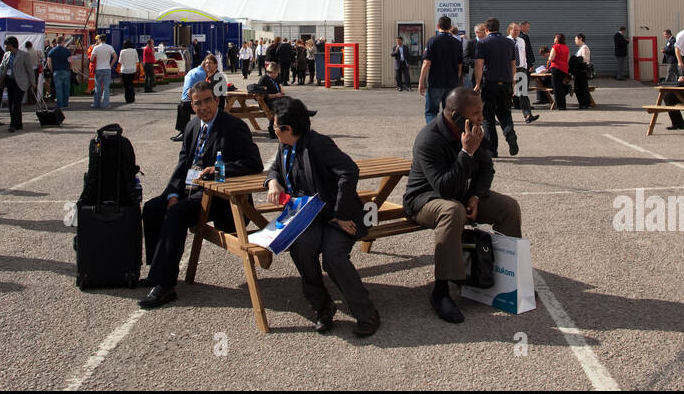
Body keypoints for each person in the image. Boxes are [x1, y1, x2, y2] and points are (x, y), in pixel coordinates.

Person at [139, 80, 262, 309]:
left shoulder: (234, 127)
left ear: (216, 100)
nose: (204, 107)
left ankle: (165, 285)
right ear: (192, 106)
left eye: (208, 101)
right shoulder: (192, 126)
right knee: (153, 208)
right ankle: (157, 269)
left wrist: (220, 169)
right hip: (189, 188)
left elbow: (253, 163)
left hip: (218, 196)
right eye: (198, 103)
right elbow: (183, 163)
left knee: (176, 214)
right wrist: (172, 193)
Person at [404, 87, 522, 324]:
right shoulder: (429, 139)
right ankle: (441, 291)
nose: (481, 117)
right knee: (452, 210)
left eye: (482, 111)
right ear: (455, 114)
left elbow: (487, 169)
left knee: (508, 207)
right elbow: (443, 189)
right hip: (424, 200)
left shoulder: (474, 131)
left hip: (462, 195)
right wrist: (467, 152)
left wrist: (476, 196)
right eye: (476, 113)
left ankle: (507, 282)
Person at [265, 97, 379, 336]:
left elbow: (349, 171)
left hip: (339, 215)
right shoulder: (285, 145)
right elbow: (275, 168)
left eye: (275, 127)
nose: (272, 130)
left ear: (288, 129)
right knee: (301, 247)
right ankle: (322, 307)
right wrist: (273, 182)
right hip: (309, 216)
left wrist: (339, 214)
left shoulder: (318, 144)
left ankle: (366, 313)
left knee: (333, 256)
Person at [473, 16, 519, 157]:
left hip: (489, 83)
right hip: (505, 83)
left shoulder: (482, 43)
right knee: (505, 113)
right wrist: (513, 81)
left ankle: (492, 149)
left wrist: (477, 83)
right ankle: (510, 134)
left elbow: (479, 64)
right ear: (499, 28)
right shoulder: (509, 43)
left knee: (488, 117)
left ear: (486, 29)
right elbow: (513, 64)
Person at [419, 16, 463, 123]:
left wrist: (421, 81)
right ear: (450, 27)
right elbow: (460, 65)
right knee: (448, 112)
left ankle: (433, 134)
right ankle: (447, 135)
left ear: (438, 26)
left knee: (431, 112)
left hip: (435, 82)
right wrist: (457, 80)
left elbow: (426, 62)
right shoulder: (457, 43)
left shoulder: (432, 41)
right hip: (451, 82)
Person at [172, 54, 219, 141]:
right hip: (201, 101)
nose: (208, 65)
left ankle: (184, 132)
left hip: (210, 104)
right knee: (182, 105)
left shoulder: (215, 76)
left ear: (216, 65)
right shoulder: (205, 75)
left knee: (183, 106)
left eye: (210, 63)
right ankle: (184, 131)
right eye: (206, 63)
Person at [0, 36, 32, 133]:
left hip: (20, 82)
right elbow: (1, 67)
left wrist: (33, 82)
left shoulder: (24, 55)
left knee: (16, 103)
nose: (5, 46)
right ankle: (18, 123)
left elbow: (29, 70)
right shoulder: (6, 54)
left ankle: (13, 124)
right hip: (10, 81)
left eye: (6, 44)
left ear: (11, 45)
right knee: (11, 103)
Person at [506, 22, 539, 124]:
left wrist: (525, 66)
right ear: (509, 30)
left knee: (523, 94)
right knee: (508, 94)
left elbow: (524, 54)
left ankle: (528, 115)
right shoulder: (505, 41)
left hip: (521, 69)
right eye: (514, 30)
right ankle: (506, 117)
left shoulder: (521, 40)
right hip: (509, 70)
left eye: (518, 30)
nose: (516, 32)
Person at [90, 35, 117, 109]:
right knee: (106, 88)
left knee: (97, 87)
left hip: (98, 69)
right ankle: (105, 104)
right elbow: (115, 56)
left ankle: (96, 104)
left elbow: (91, 59)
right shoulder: (109, 47)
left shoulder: (96, 47)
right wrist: (111, 65)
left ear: (100, 39)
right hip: (107, 68)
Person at [46, 37, 73, 108]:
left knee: (58, 89)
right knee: (66, 88)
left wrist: (52, 70)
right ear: (63, 42)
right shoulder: (67, 51)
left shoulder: (51, 51)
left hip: (56, 71)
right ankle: (65, 103)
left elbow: (49, 63)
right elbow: (70, 62)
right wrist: (69, 68)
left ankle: (60, 103)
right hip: (66, 71)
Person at [549, 33, 570, 111]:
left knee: (556, 87)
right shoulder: (566, 47)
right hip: (564, 69)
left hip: (556, 68)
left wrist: (549, 59)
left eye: (555, 38)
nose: (554, 39)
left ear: (557, 39)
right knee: (561, 86)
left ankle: (559, 105)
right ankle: (563, 104)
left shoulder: (555, 46)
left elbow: (551, 58)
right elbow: (568, 59)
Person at [571, 33, 593, 108]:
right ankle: (583, 103)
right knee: (578, 87)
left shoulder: (584, 47)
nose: (575, 41)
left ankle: (585, 103)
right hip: (578, 71)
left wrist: (575, 59)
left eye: (576, 39)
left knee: (582, 87)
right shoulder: (581, 48)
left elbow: (585, 59)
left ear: (580, 39)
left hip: (582, 71)